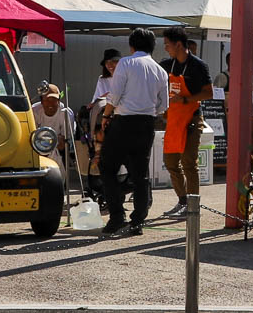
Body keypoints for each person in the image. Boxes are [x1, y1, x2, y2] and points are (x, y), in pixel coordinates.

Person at [98, 28, 169, 236]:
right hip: (147, 123)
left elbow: (115, 95)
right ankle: (138, 221)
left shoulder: (126, 64)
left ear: (131, 46)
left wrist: (106, 116)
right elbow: (163, 105)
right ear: (152, 47)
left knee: (107, 167)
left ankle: (117, 217)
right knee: (140, 174)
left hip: (123, 122)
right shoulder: (160, 70)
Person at [161, 27, 212, 219]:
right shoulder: (166, 65)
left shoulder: (198, 66)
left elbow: (208, 93)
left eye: (167, 44)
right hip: (173, 120)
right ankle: (182, 201)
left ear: (179, 44)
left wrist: (184, 100)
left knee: (189, 162)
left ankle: (192, 205)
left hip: (192, 119)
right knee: (171, 162)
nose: (166, 48)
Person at [31, 83, 78, 206]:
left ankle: (58, 190)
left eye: (54, 100)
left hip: (57, 148)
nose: (51, 104)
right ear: (42, 101)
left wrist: (52, 141)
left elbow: (65, 140)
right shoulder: (34, 111)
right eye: (47, 100)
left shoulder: (65, 113)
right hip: (38, 147)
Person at [85, 49, 121, 196]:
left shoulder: (125, 77)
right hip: (104, 117)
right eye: (107, 62)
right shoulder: (102, 79)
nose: (110, 65)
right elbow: (97, 99)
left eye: (113, 62)